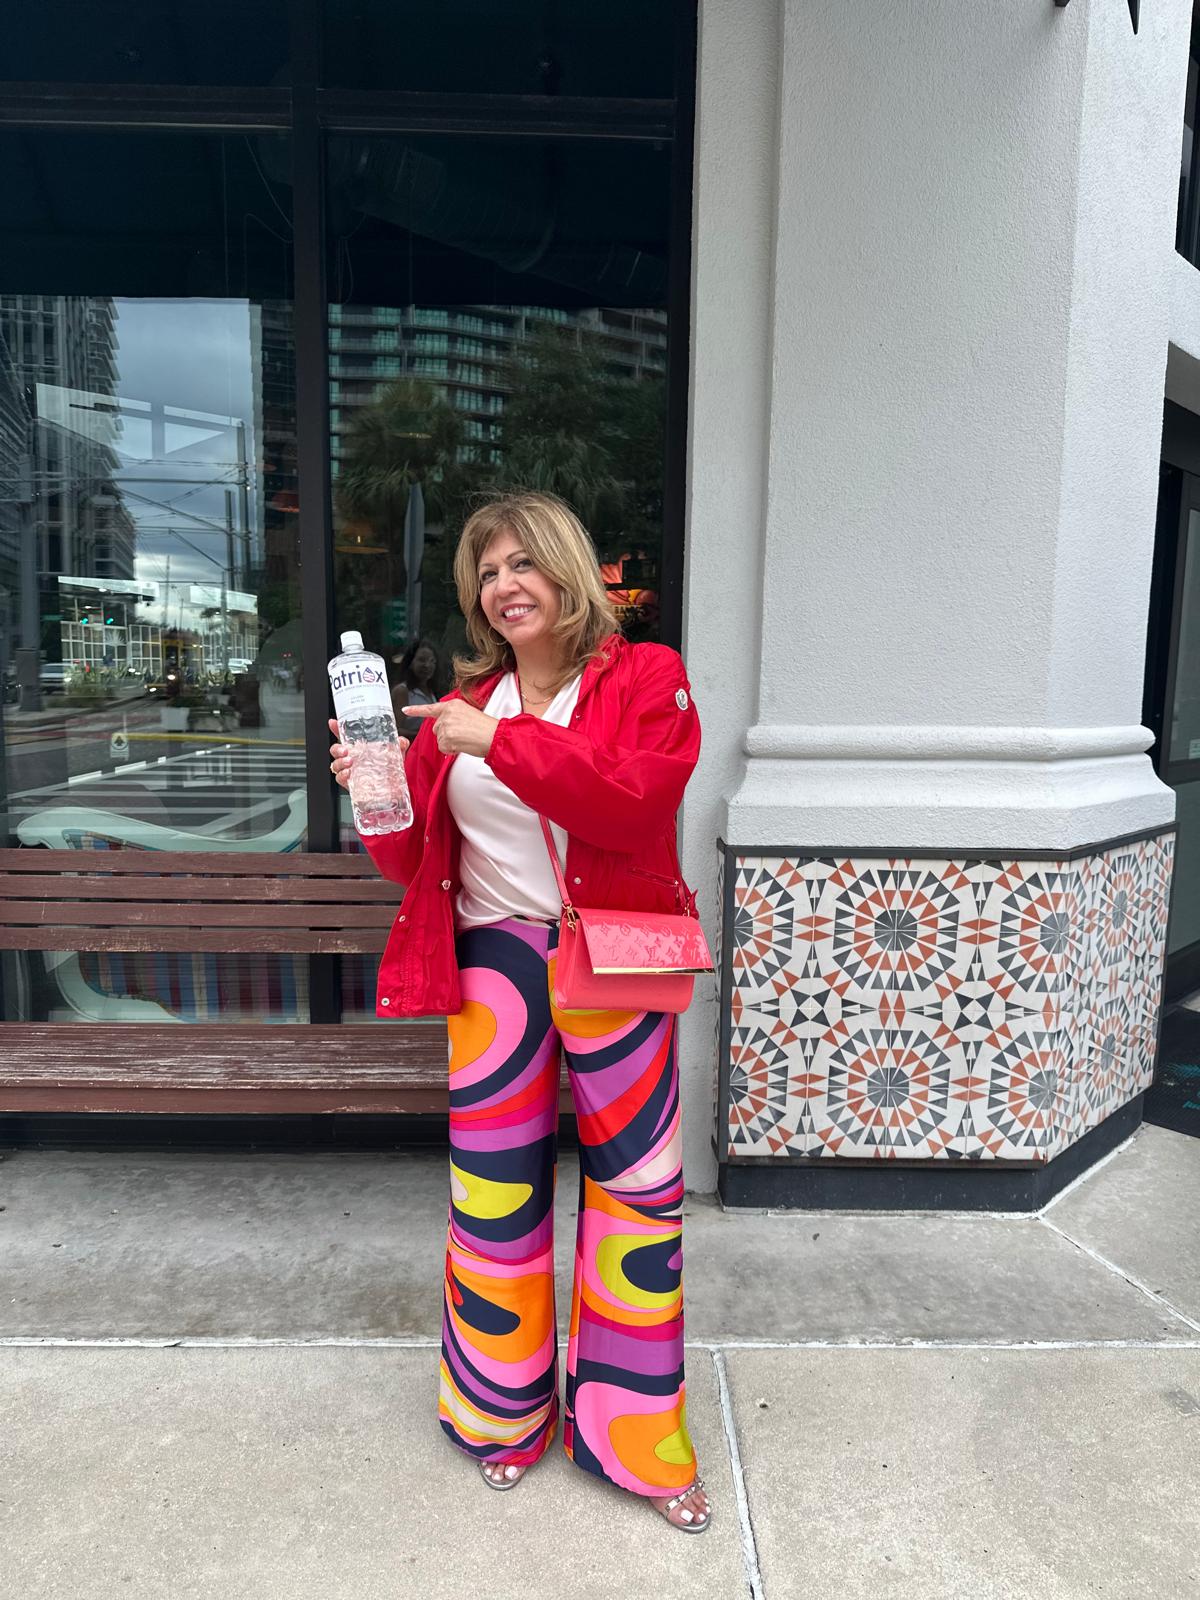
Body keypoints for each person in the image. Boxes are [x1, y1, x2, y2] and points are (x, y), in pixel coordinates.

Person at [328, 490, 710, 1533]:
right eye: (486, 571)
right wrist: (376, 788)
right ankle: (502, 1418)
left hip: (614, 953)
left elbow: (634, 799)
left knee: (640, 1196)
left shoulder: (646, 677)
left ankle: (636, 1440)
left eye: (521, 563)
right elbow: (412, 860)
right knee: (492, 1202)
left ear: (565, 570)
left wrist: (494, 744)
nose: (504, 585)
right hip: (492, 964)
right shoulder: (466, 705)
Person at [390, 637, 442, 740]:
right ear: (410, 663)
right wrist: (424, 735)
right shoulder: (402, 691)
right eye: (421, 660)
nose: (427, 665)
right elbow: (395, 731)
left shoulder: (432, 692)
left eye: (432, 661)